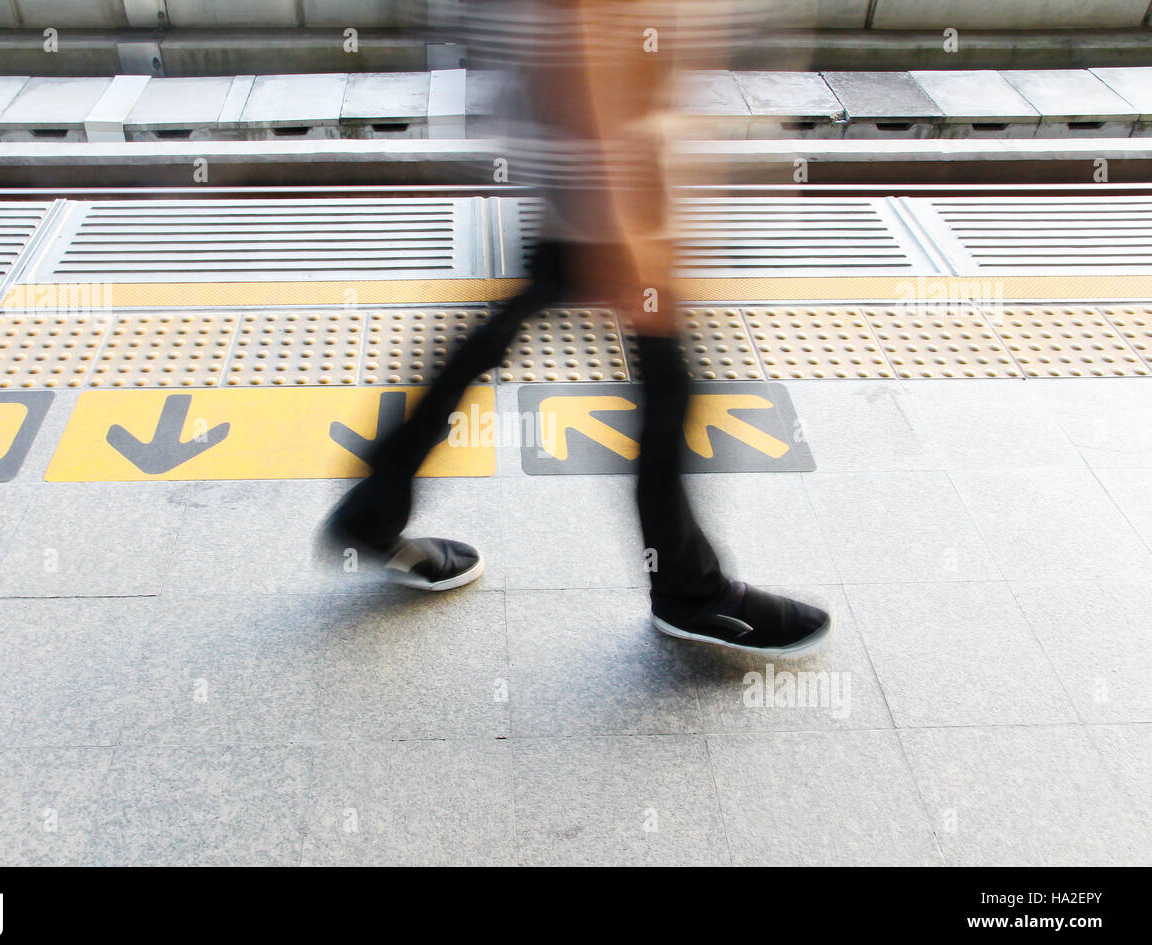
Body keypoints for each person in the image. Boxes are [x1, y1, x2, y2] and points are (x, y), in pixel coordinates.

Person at [324, 0, 830, 655]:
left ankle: (373, 507)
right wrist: (624, 230)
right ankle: (689, 591)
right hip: (607, 177)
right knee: (669, 386)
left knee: (510, 332)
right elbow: (584, 50)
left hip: (592, 168)